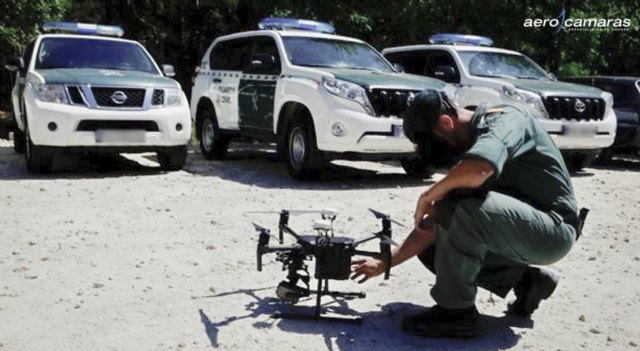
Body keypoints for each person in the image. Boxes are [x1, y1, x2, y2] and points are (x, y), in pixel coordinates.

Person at [351, 89, 581, 338]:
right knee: (435, 245)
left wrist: (428, 195)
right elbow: (433, 224)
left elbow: (480, 169)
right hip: (523, 230)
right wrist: (385, 262)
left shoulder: (504, 120)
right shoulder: (471, 140)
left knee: (459, 207)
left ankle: (456, 315)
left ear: (446, 123)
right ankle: (526, 281)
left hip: (553, 231)